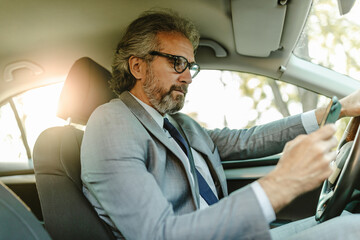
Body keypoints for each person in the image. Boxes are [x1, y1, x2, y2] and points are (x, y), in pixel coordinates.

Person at [80, 9, 360, 240]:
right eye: (178, 63)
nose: (188, 77)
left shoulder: (179, 125)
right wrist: (280, 184)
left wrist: (338, 110)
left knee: (350, 220)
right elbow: (158, 234)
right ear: (137, 67)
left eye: (191, 66)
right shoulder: (111, 123)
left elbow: (249, 139)